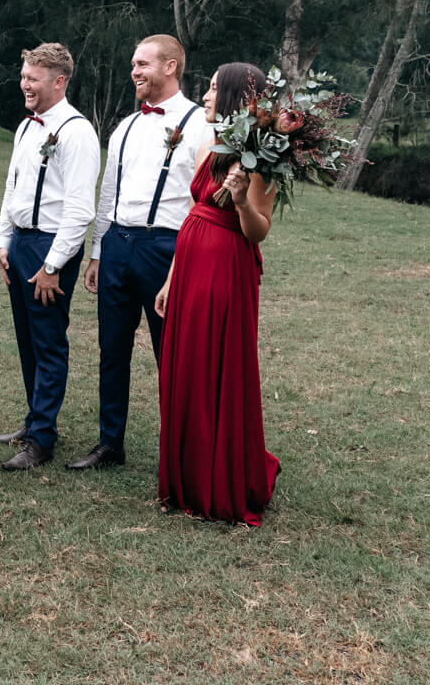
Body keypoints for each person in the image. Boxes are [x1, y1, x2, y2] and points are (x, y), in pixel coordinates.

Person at [70, 34, 212, 471]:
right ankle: (109, 443)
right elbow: (109, 192)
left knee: (170, 352)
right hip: (118, 244)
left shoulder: (200, 124)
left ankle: (180, 449)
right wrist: (98, 251)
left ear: (170, 67)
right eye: (133, 64)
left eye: (143, 64)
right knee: (112, 350)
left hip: (166, 248)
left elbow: (201, 202)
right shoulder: (126, 126)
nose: (134, 72)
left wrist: (183, 259)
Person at [154, 62, 281, 525]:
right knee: (187, 364)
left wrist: (243, 199)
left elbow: (259, 230)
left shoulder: (260, 157)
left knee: (216, 365)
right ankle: (185, 476)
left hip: (226, 268)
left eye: (212, 89)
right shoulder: (209, 145)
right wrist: (171, 278)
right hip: (190, 265)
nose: (205, 96)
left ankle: (219, 478)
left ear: (232, 98)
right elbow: (194, 208)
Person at [0, 43, 100, 470]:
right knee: (27, 340)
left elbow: (80, 209)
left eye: (33, 78)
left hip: (51, 247)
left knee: (49, 342)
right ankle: (34, 419)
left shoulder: (77, 132)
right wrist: (3, 242)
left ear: (59, 81)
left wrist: (53, 266)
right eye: (24, 76)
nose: (25, 84)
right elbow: (12, 187)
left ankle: (42, 440)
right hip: (21, 243)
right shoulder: (25, 127)